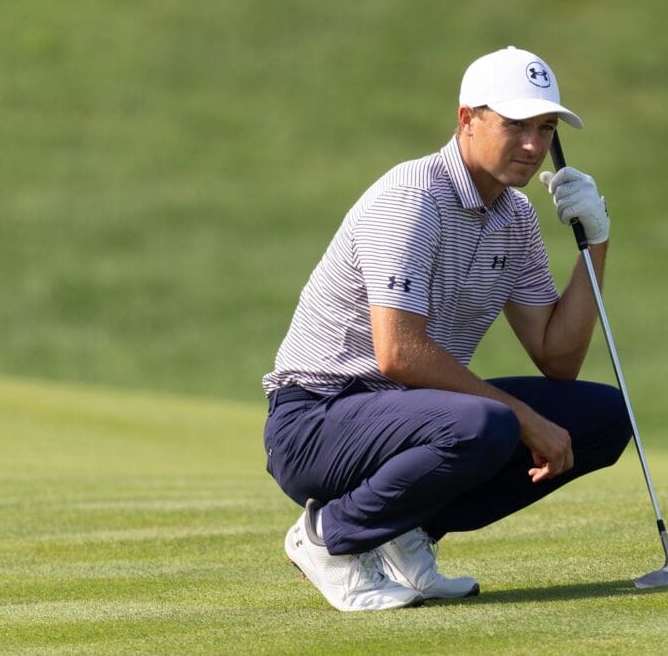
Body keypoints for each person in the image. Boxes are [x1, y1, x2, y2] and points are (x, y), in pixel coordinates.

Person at [262, 46, 631, 612]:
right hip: (317, 418)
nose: (533, 145)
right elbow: (398, 353)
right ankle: (328, 538)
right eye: (515, 125)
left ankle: (405, 535)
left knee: (604, 418)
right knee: (488, 423)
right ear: (467, 120)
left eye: (545, 128)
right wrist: (526, 420)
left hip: (408, 415)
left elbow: (558, 358)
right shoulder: (413, 198)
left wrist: (594, 240)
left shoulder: (515, 217)